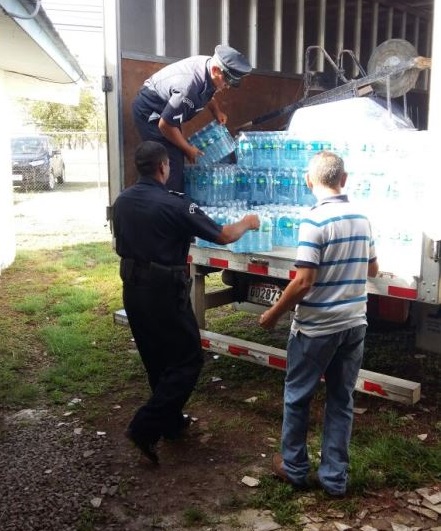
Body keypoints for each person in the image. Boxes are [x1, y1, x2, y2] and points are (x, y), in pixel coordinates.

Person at [112, 140, 260, 464]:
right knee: (188, 358)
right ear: (163, 167)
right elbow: (223, 235)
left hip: (132, 288)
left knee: (156, 358)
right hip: (163, 291)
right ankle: (144, 427)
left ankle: (170, 423)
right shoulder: (175, 205)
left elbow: (119, 242)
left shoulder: (122, 201)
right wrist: (249, 222)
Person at [259, 151, 379, 497]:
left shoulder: (313, 221)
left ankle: (294, 468)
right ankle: (334, 479)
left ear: (308, 181)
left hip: (316, 328)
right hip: (354, 323)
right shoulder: (362, 217)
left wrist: (273, 314)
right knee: (341, 400)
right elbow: (372, 268)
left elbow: (304, 281)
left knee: (298, 397)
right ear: (344, 179)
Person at [132, 44, 252, 192]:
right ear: (216, 70)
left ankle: (168, 198)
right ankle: (166, 201)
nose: (227, 86)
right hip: (151, 111)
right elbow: (165, 124)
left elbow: (208, 92)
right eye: (227, 81)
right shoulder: (188, 87)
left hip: (168, 111)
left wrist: (216, 111)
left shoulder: (210, 68)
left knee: (174, 157)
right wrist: (188, 149)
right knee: (169, 162)